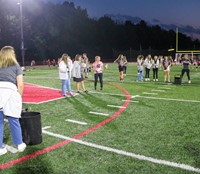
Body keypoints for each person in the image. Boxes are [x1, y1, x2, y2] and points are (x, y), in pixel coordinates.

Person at [0, 46, 26, 156]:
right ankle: (19, 144)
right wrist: (18, 97)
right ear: (12, 54)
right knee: (14, 119)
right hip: (11, 91)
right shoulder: (16, 66)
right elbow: (20, 85)